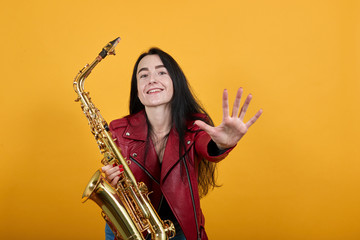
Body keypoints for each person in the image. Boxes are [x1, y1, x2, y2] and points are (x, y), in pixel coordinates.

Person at [102, 48, 263, 240]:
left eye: (162, 72)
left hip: (178, 230)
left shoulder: (195, 124)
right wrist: (112, 181)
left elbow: (207, 146)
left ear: (175, 83)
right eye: (143, 75)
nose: (152, 79)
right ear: (137, 90)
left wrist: (222, 144)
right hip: (129, 227)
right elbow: (118, 182)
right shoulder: (118, 129)